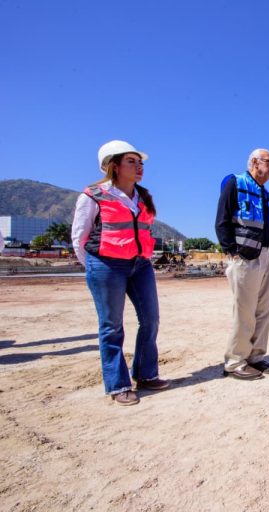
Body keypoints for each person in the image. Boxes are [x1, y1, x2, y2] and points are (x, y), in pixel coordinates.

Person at [71, 140, 169, 406]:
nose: (139, 167)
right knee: (112, 326)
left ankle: (146, 374)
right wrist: (94, 265)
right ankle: (118, 384)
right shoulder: (93, 195)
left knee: (151, 319)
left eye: (140, 163)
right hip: (106, 265)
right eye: (131, 162)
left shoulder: (143, 196)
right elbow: (79, 237)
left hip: (140, 265)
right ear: (113, 166)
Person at [215, 148, 269, 380]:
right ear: (254, 161)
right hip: (244, 256)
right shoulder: (235, 182)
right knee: (244, 311)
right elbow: (222, 219)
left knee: (263, 309)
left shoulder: (265, 192)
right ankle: (235, 361)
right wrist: (231, 251)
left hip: (266, 256)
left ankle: (256, 357)